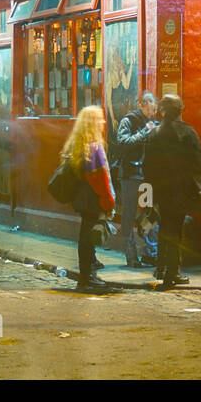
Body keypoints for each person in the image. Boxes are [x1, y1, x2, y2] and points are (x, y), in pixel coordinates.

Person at [142, 95, 201, 289]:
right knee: (175, 229)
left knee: (163, 226)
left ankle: (160, 268)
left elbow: (147, 166)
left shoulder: (154, 134)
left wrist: (150, 193)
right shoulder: (188, 133)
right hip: (181, 189)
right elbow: (199, 163)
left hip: (161, 189)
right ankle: (172, 272)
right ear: (181, 110)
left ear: (162, 111)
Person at [60, 106, 116, 292]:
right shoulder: (94, 147)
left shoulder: (80, 144)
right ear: (92, 123)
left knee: (86, 236)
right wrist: (108, 201)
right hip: (93, 199)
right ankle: (87, 278)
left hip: (83, 199)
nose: (103, 122)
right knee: (88, 238)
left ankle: (87, 276)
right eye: (99, 119)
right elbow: (100, 179)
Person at [114, 92, 159, 268]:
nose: (152, 113)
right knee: (129, 214)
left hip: (147, 176)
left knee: (149, 212)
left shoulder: (154, 123)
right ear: (141, 105)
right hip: (130, 175)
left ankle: (150, 253)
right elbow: (123, 142)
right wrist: (144, 132)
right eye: (150, 109)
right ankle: (131, 255)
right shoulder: (129, 121)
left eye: (155, 110)